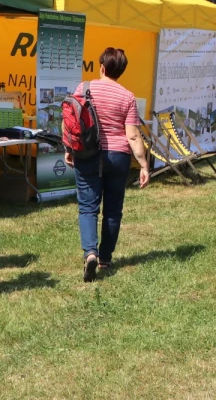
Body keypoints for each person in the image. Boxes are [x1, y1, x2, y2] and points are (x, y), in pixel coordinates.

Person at [65, 48, 151, 282]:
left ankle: (90, 252)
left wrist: (69, 149)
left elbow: (72, 122)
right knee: (113, 210)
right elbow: (133, 135)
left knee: (88, 207)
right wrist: (143, 165)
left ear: (101, 67)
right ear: (121, 71)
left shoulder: (83, 89)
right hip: (118, 156)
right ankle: (105, 259)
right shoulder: (127, 96)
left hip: (88, 154)